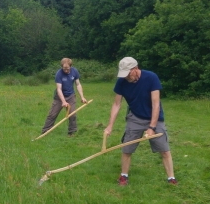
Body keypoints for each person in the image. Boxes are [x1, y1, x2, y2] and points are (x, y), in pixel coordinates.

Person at [104, 57, 177, 186]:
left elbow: (156, 104)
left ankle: (171, 178)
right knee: (127, 149)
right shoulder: (121, 82)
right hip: (135, 117)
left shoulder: (151, 78)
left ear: (135, 69)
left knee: (165, 151)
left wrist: (152, 127)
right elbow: (116, 105)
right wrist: (110, 126)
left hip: (154, 117)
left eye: (128, 73)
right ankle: (124, 176)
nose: (126, 77)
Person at [41, 58, 87, 137]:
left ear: (71, 66)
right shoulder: (59, 74)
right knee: (52, 115)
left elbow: (78, 84)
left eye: (67, 69)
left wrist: (82, 97)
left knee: (72, 115)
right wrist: (63, 101)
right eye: (64, 69)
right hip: (59, 97)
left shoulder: (74, 71)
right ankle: (45, 131)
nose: (66, 71)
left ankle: (72, 132)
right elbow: (59, 89)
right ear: (62, 67)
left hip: (71, 96)